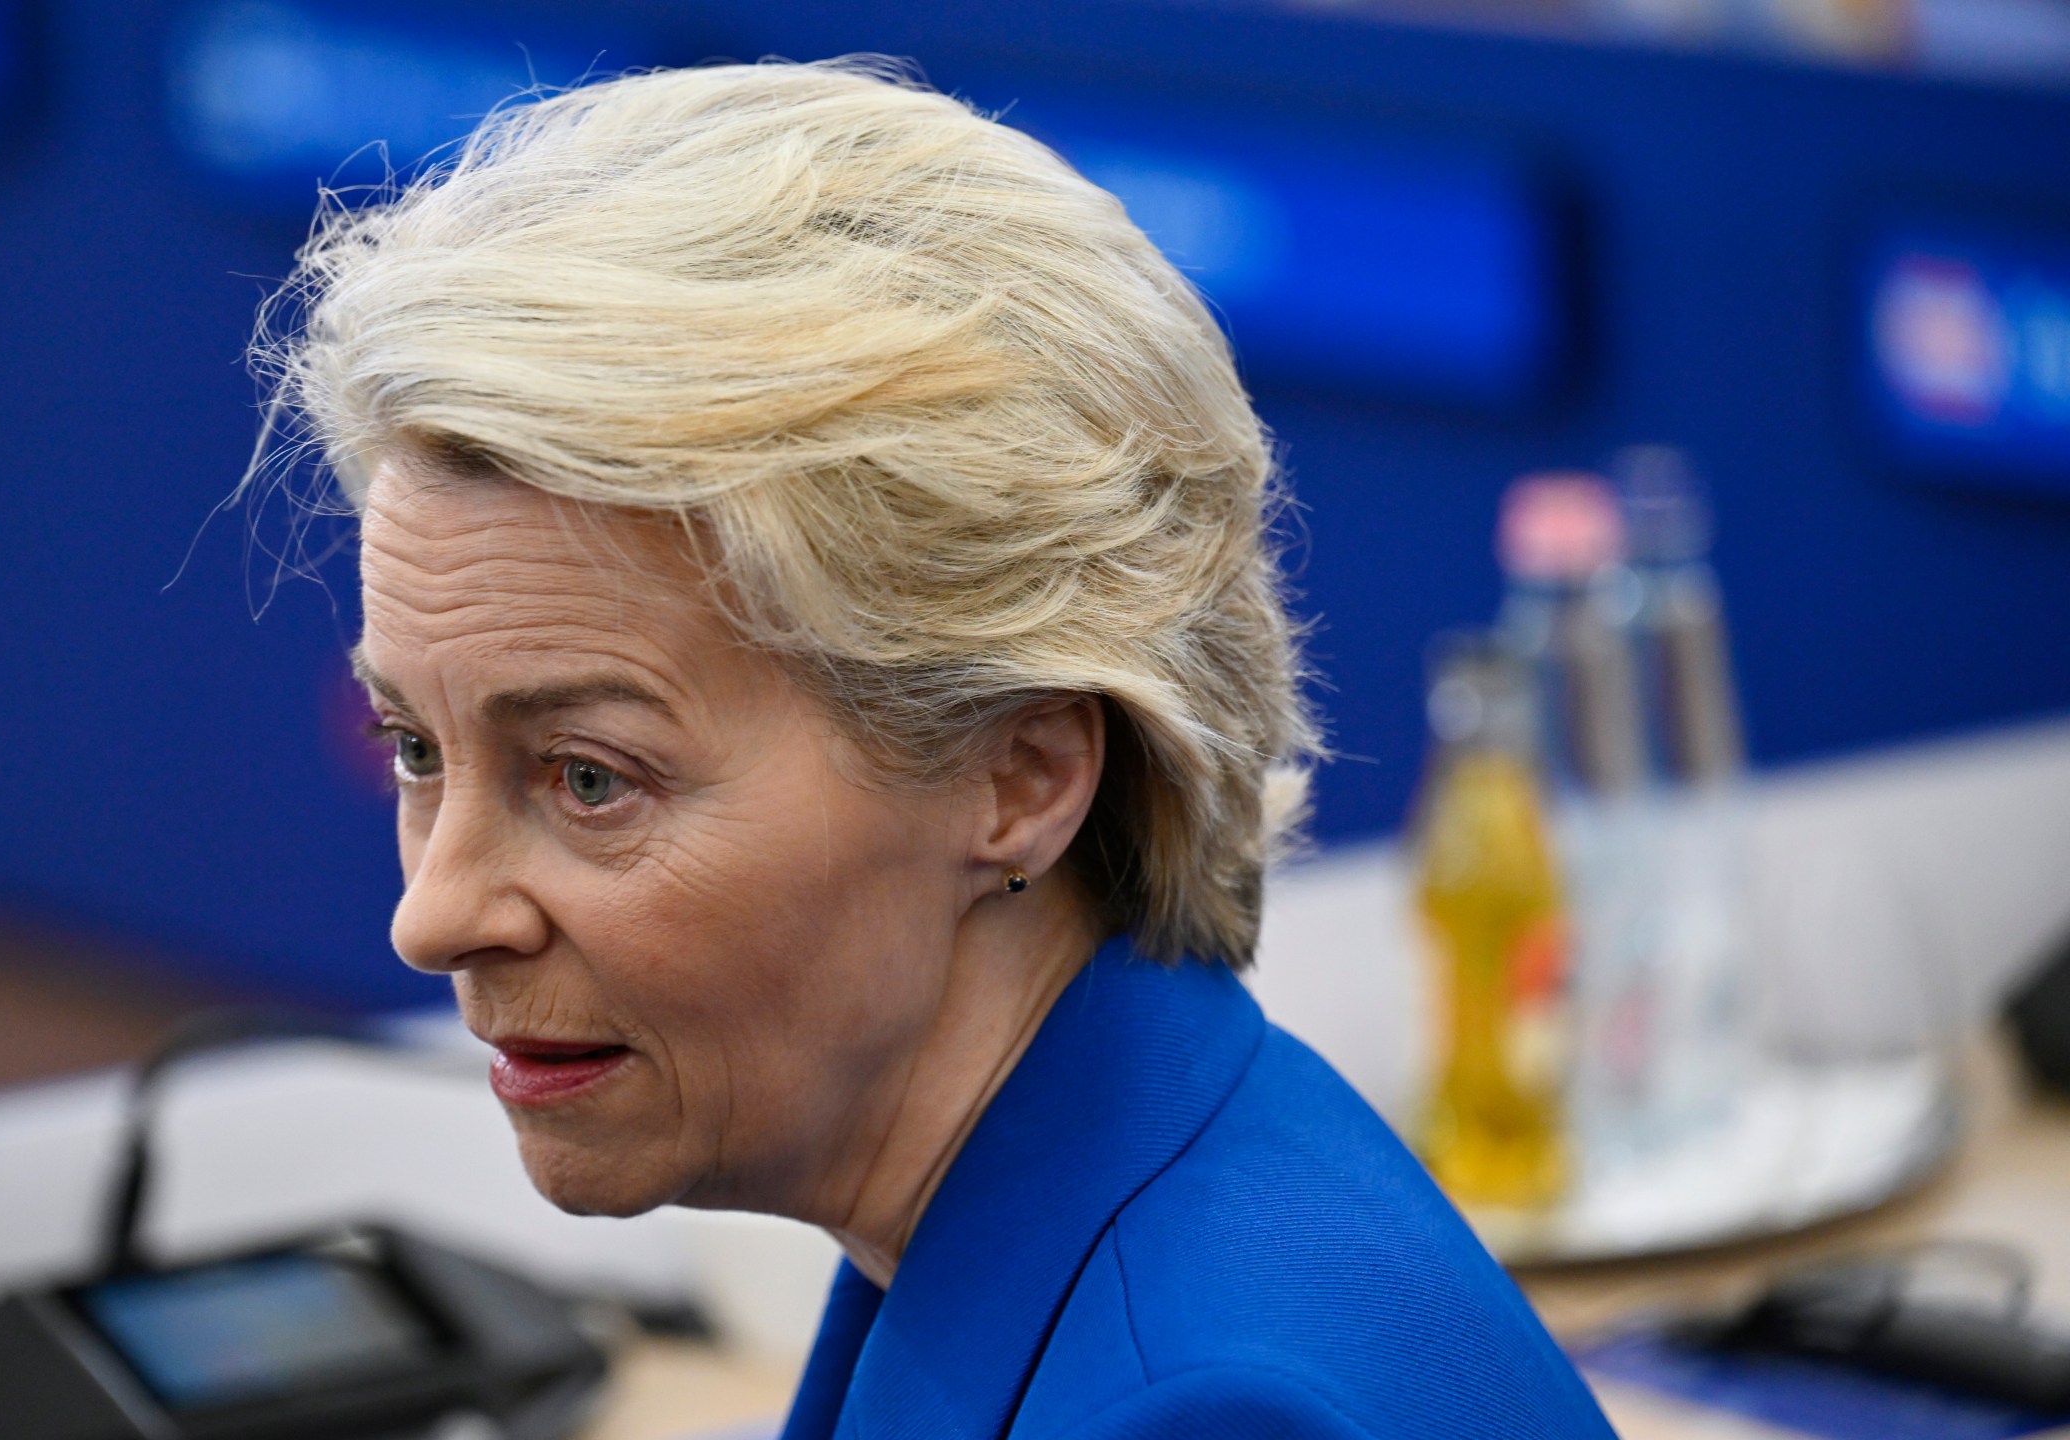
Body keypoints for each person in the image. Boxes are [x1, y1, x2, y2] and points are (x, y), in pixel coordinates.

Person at [262, 57, 1614, 1439]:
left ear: (1020, 776)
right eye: (416, 751)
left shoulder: (1200, 1407)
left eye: (591, 779)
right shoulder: (1029, 1214)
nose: (432, 917)